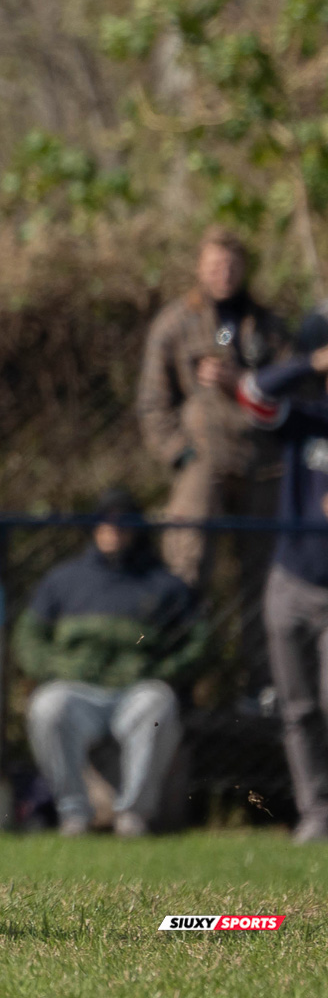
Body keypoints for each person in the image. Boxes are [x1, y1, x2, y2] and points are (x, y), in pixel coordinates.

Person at [137, 226, 287, 687]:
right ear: (199, 268)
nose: (224, 274)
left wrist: (241, 381)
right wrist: (180, 455)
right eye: (215, 265)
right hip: (202, 463)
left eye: (233, 265)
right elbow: (151, 402)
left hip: (263, 466)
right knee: (186, 566)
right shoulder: (176, 322)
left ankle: (261, 685)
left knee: (263, 580)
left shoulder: (267, 325)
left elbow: (293, 392)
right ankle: (175, 684)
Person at [13, 490, 205, 838]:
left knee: (159, 702)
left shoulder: (164, 585)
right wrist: (55, 669)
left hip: (136, 691)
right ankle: (74, 813)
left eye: (122, 522)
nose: (112, 530)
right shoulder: (64, 580)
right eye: (104, 521)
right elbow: (28, 639)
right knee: (46, 706)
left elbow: (199, 642)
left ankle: (133, 816)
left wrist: (160, 671)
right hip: (77, 690)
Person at [235, 312, 328, 843]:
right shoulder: (305, 416)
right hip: (291, 580)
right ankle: (316, 813)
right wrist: (309, 361)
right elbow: (252, 393)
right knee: (298, 708)